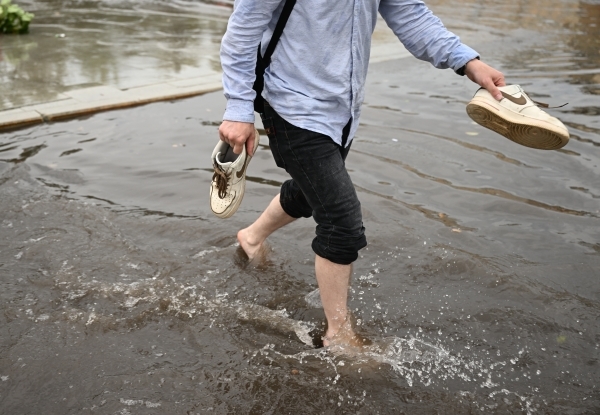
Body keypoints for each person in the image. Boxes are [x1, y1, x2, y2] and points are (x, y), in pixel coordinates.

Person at [217, 0, 505, 348]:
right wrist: (238, 109)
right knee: (341, 221)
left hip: (343, 109)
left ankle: (251, 237)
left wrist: (467, 62)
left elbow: (409, 13)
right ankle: (338, 335)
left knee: (313, 192)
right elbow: (243, 31)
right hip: (291, 106)